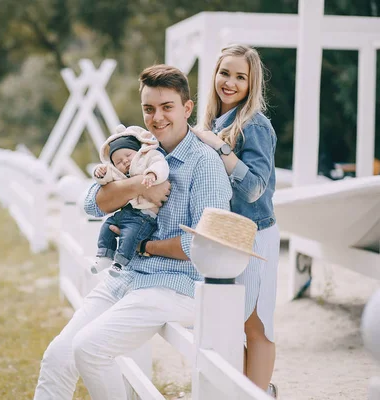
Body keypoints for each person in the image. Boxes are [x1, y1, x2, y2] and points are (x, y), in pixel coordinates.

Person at [33, 64, 232, 400]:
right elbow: (92, 204)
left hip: (174, 284)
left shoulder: (204, 164)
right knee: (57, 356)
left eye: (167, 107)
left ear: (187, 109)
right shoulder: (139, 150)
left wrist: (145, 247)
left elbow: (206, 245)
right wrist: (140, 184)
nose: (157, 118)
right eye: (149, 109)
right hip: (126, 278)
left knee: (90, 349)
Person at [192, 44, 280, 397]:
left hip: (254, 235)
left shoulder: (254, 126)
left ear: (251, 83)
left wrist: (219, 146)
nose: (229, 82)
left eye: (240, 77)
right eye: (224, 73)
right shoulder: (213, 123)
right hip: (224, 237)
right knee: (228, 321)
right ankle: (249, 391)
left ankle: (258, 394)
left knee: (255, 325)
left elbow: (255, 188)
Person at [91, 124, 169, 277]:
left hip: (145, 215)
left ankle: (120, 262)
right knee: (107, 227)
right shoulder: (119, 173)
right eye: (118, 161)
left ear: (137, 151)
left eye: (128, 155)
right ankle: (105, 255)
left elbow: (161, 164)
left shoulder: (148, 157)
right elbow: (107, 178)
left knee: (130, 235)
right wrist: (100, 173)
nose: (125, 162)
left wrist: (152, 175)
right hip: (127, 211)